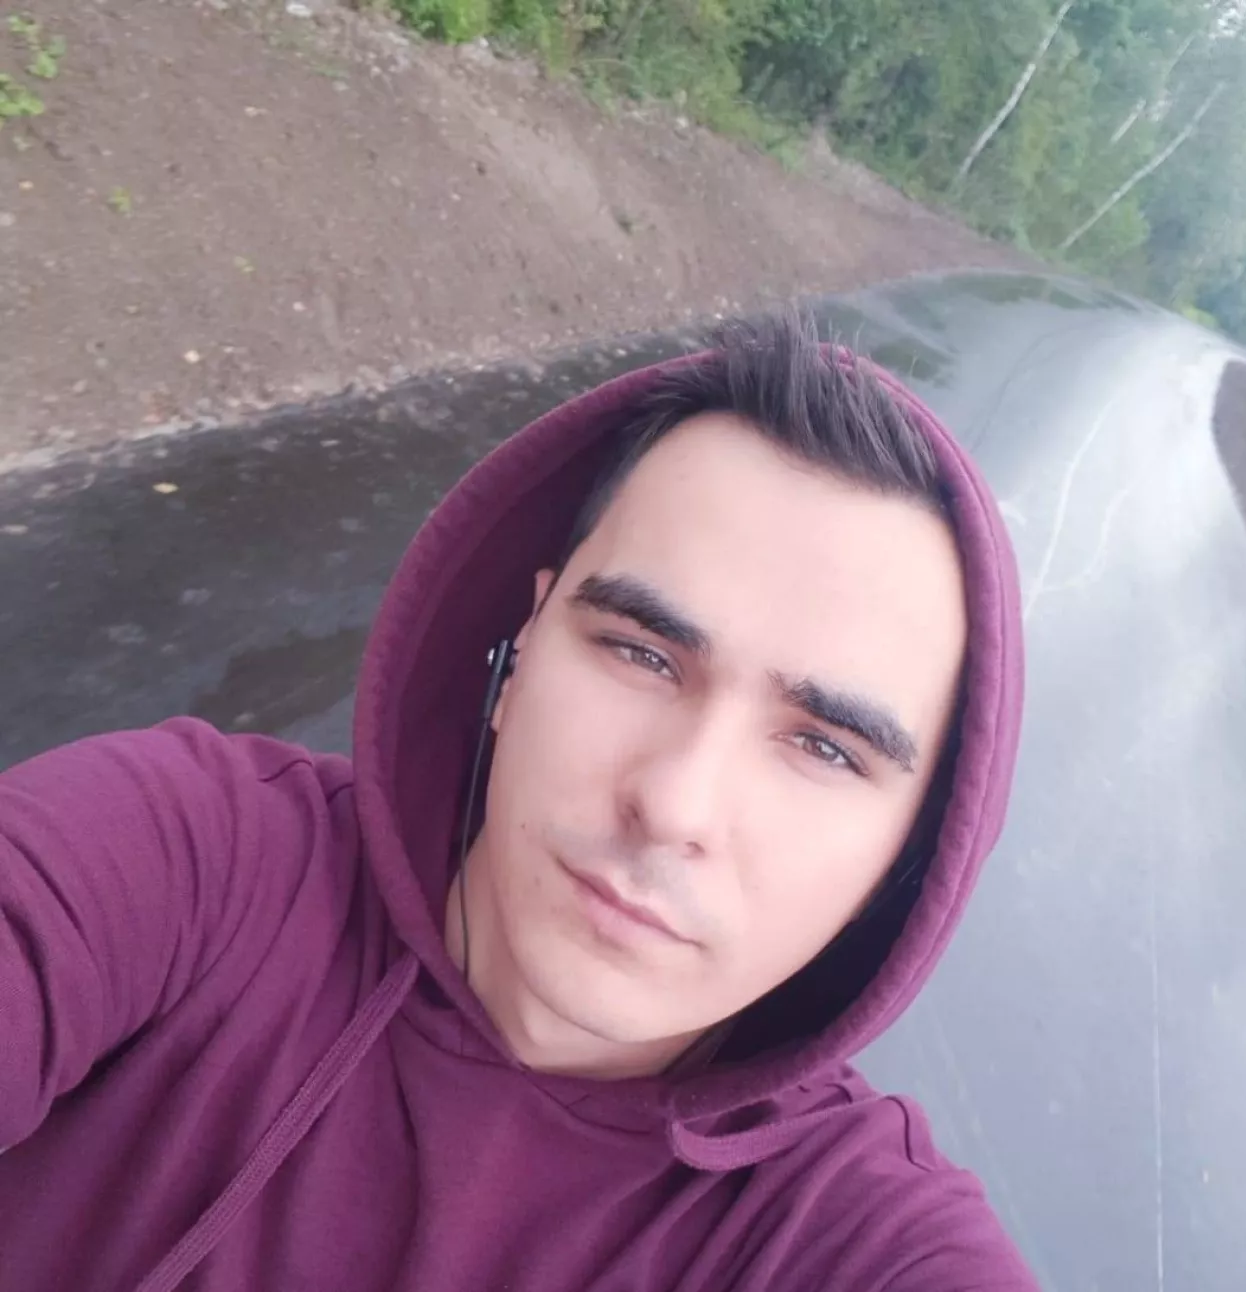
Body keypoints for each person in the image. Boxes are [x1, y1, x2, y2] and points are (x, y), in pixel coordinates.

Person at [0, 312, 1035, 1291]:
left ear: (906, 856)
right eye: (640, 653)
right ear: (525, 646)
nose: (673, 804)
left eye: (822, 746)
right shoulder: (192, 854)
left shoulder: (842, 1235)